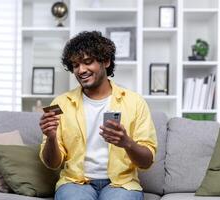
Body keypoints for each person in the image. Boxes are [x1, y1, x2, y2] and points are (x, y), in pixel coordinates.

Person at [39, 31, 157, 200]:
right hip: (75, 184)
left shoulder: (135, 102)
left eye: (88, 62)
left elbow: (147, 162)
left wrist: (127, 143)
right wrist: (50, 137)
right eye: (75, 65)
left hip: (121, 184)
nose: (81, 70)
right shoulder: (60, 103)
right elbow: (52, 164)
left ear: (106, 61)